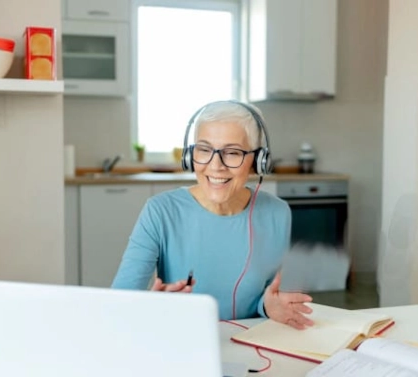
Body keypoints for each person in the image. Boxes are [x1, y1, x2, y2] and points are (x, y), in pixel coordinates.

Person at [111, 100, 314, 329]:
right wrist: (153, 306)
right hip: (180, 342)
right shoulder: (160, 211)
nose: (216, 166)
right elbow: (120, 303)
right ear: (190, 155)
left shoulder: (277, 213)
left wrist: (267, 307)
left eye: (233, 153)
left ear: (258, 161)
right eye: (204, 150)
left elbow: (266, 296)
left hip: (249, 346)